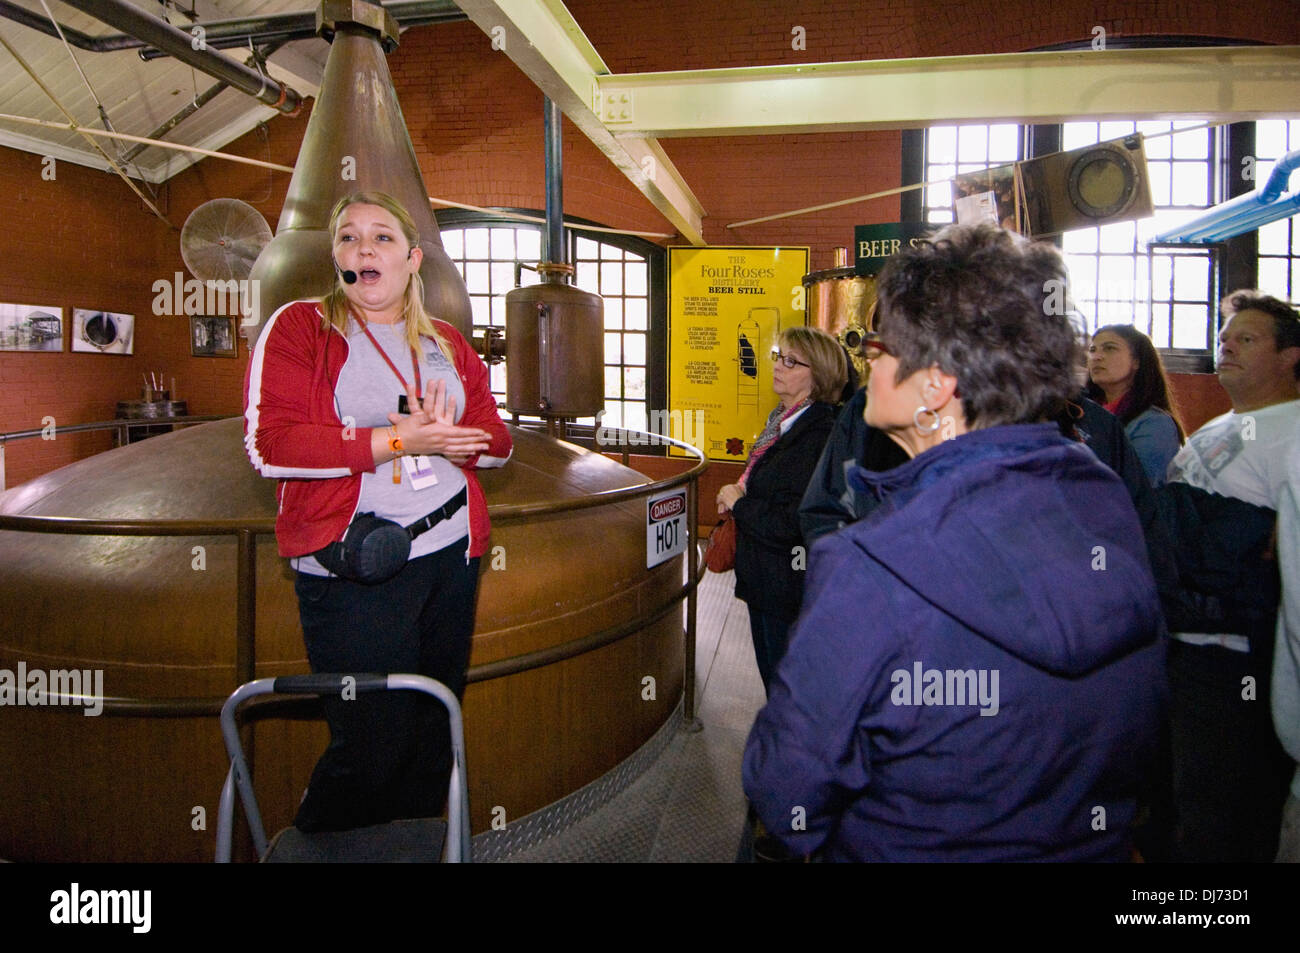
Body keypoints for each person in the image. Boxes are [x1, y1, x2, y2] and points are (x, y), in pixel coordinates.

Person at [743, 223, 1164, 861]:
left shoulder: (870, 566)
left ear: (934, 385)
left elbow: (788, 795)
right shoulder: (1108, 513)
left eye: (881, 347)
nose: (869, 361)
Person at [244, 191, 512, 833]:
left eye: (382, 238)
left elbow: (498, 442)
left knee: (431, 727)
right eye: (348, 238)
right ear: (335, 257)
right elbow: (270, 447)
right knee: (370, 743)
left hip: (451, 553)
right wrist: (398, 440)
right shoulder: (299, 327)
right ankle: (325, 844)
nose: (363, 248)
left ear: (414, 258)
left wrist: (458, 441)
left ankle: (415, 843)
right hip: (357, 566)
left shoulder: (445, 339)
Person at [1160, 289, 1300, 862]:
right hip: (1181, 647)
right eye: (1223, 340)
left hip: (1241, 660)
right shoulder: (1221, 426)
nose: (1227, 348)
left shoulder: (1294, 434)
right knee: (1180, 805)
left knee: (1227, 819)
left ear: (1291, 356)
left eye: (1247, 339)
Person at [715, 326, 846, 696]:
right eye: (779, 356)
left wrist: (741, 503)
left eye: (791, 361)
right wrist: (743, 487)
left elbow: (792, 521)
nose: (778, 366)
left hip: (786, 586)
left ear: (817, 376)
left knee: (786, 686)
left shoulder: (817, 434)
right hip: (766, 578)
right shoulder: (784, 421)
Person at [1086, 323, 1185, 486]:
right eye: (1092, 350)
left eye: (1109, 348)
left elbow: (1137, 489)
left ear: (1136, 362)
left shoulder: (1154, 424)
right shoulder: (1081, 411)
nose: (1096, 357)